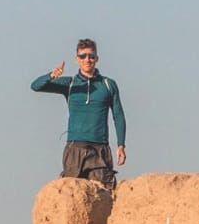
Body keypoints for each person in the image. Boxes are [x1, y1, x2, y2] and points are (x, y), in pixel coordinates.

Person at [30, 38, 127, 188]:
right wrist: (51, 75)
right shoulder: (70, 84)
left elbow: (118, 115)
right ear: (77, 59)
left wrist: (121, 145)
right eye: (83, 56)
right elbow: (36, 86)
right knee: (72, 194)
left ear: (97, 59)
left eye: (91, 56)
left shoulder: (108, 85)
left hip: (100, 148)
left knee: (103, 194)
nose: (87, 60)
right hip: (75, 148)